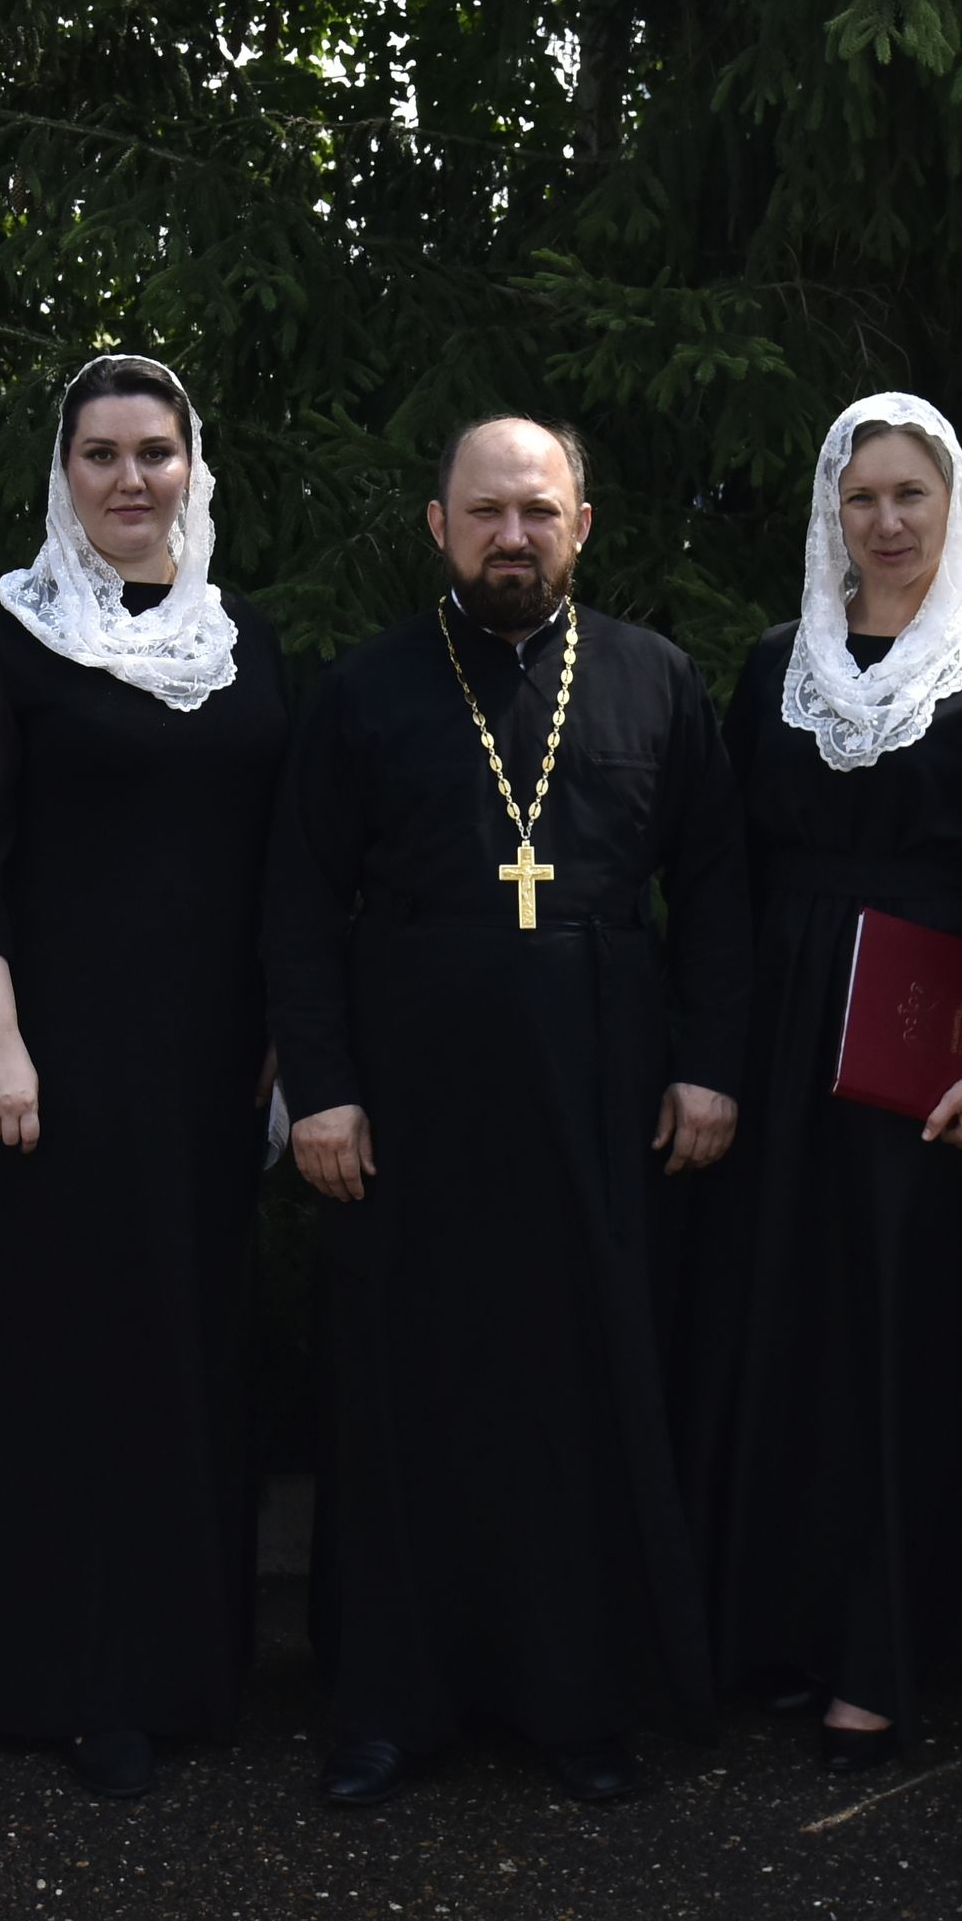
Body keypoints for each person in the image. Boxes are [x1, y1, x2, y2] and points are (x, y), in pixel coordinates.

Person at [267, 418, 750, 1804]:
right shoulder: (366, 689)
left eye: (537, 511)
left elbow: (717, 889)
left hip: (603, 1090)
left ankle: (575, 1700)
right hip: (407, 1096)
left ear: (581, 525)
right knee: (402, 1387)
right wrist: (322, 1090)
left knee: (577, 1389)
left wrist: (710, 1066)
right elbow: (297, 902)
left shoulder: (654, 680)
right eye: (484, 512)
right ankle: (387, 1706)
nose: (512, 537)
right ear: (439, 527)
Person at [0, 355, 293, 1799]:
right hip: (57, 1061)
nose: (130, 479)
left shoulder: (243, 642)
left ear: (194, 467)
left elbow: (283, 855)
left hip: (209, 1064)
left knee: (191, 1346)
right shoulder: (3, 634)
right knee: (76, 1357)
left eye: (154, 452)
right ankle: (78, 1681)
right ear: (62, 473)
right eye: (100, 454)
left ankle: (191, 1666)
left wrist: (281, 1035)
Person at [704, 393, 962, 1767]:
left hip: (927, 1028)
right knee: (785, 1320)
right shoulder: (775, 663)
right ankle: (780, 1627)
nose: (886, 520)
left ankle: (882, 1648)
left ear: (952, 505)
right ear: (832, 513)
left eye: (910, 493)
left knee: (895, 1327)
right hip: (784, 1026)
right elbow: (728, 870)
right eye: (861, 496)